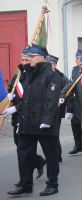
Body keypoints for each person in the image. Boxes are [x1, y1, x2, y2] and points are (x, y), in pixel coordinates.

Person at [3, 44, 62, 196]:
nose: (28, 59)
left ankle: (52, 184)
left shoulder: (52, 75)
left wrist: (47, 120)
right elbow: (28, 99)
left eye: (32, 56)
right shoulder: (27, 74)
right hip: (27, 121)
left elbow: (51, 100)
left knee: (51, 154)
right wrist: (16, 108)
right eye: (27, 57)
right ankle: (25, 184)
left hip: (44, 123)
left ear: (42, 58)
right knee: (24, 154)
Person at [7, 47, 46, 183]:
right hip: (17, 117)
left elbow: (33, 99)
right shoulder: (18, 74)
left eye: (27, 60)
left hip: (30, 117)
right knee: (20, 147)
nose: (24, 62)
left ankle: (25, 181)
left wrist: (16, 108)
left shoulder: (33, 75)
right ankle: (38, 161)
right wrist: (10, 96)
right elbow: (12, 87)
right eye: (22, 59)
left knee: (25, 149)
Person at [45, 54, 69, 162]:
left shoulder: (62, 78)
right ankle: (51, 155)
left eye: (49, 64)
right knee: (47, 134)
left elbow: (67, 92)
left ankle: (57, 156)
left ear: (54, 65)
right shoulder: (44, 75)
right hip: (45, 109)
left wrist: (62, 99)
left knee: (54, 133)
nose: (46, 66)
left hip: (56, 110)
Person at [66, 50, 82, 155]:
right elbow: (71, 86)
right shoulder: (74, 70)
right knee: (75, 123)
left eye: (78, 58)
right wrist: (69, 109)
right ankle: (78, 145)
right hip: (77, 102)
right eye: (76, 58)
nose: (76, 60)